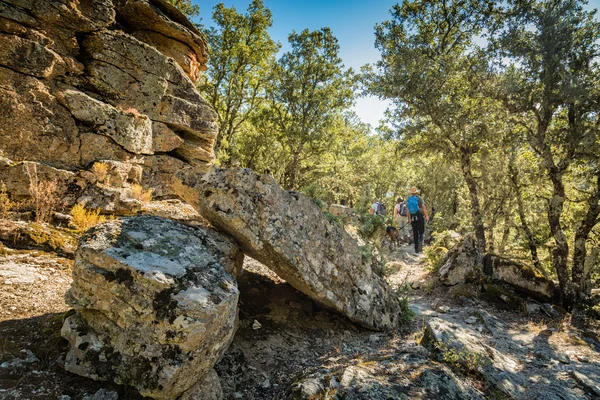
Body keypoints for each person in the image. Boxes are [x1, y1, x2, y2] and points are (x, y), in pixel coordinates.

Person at [406, 187, 429, 253]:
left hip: (413, 217)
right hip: (419, 216)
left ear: (411, 193)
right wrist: (426, 216)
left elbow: (407, 210)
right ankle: (421, 245)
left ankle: (416, 249)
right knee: (421, 231)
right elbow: (424, 207)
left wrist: (409, 219)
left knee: (415, 232)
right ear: (416, 192)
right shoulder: (419, 198)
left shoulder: (408, 199)